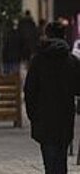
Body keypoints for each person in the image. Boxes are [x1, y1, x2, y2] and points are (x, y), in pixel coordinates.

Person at [24, 21, 80, 174]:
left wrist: (32, 115)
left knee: (49, 162)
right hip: (64, 118)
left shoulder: (38, 61)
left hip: (44, 118)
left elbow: (29, 90)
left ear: (47, 36)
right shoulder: (71, 61)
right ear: (63, 36)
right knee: (61, 161)